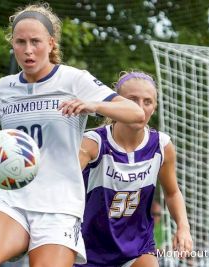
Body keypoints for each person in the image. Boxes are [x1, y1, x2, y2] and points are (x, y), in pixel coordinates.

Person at [0, 3, 144, 266]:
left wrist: (93, 105)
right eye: (20, 42)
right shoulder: (6, 88)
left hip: (59, 205)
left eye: (35, 41)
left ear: (51, 43)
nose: (28, 50)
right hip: (13, 197)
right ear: (12, 45)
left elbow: (135, 115)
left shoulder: (74, 80)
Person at [77, 71, 193, 267]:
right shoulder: (93, 143)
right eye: (132, 101)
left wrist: (183, 227)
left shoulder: (161, 146)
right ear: (117, 105)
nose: (140, 108)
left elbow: (172, 193)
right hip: (88, 249)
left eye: (147, 102)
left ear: (154, 107)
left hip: (137, 248)